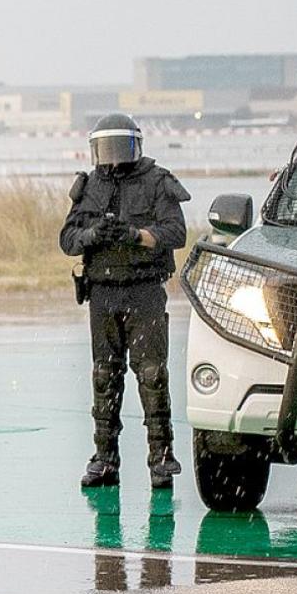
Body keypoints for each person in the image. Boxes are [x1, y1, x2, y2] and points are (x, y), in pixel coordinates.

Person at [59, 113, 191, 488]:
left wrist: (137, 236)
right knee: (105, 376)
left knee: (151, 375)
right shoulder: (88, 186)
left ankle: (161, 458)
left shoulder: (156, 180)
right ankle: (105, 458)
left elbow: (175, 232)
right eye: (107, 147)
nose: (113, 155)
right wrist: (93, 234)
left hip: (144, 289)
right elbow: (67, 239)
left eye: (120, 146)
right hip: (102, 291)